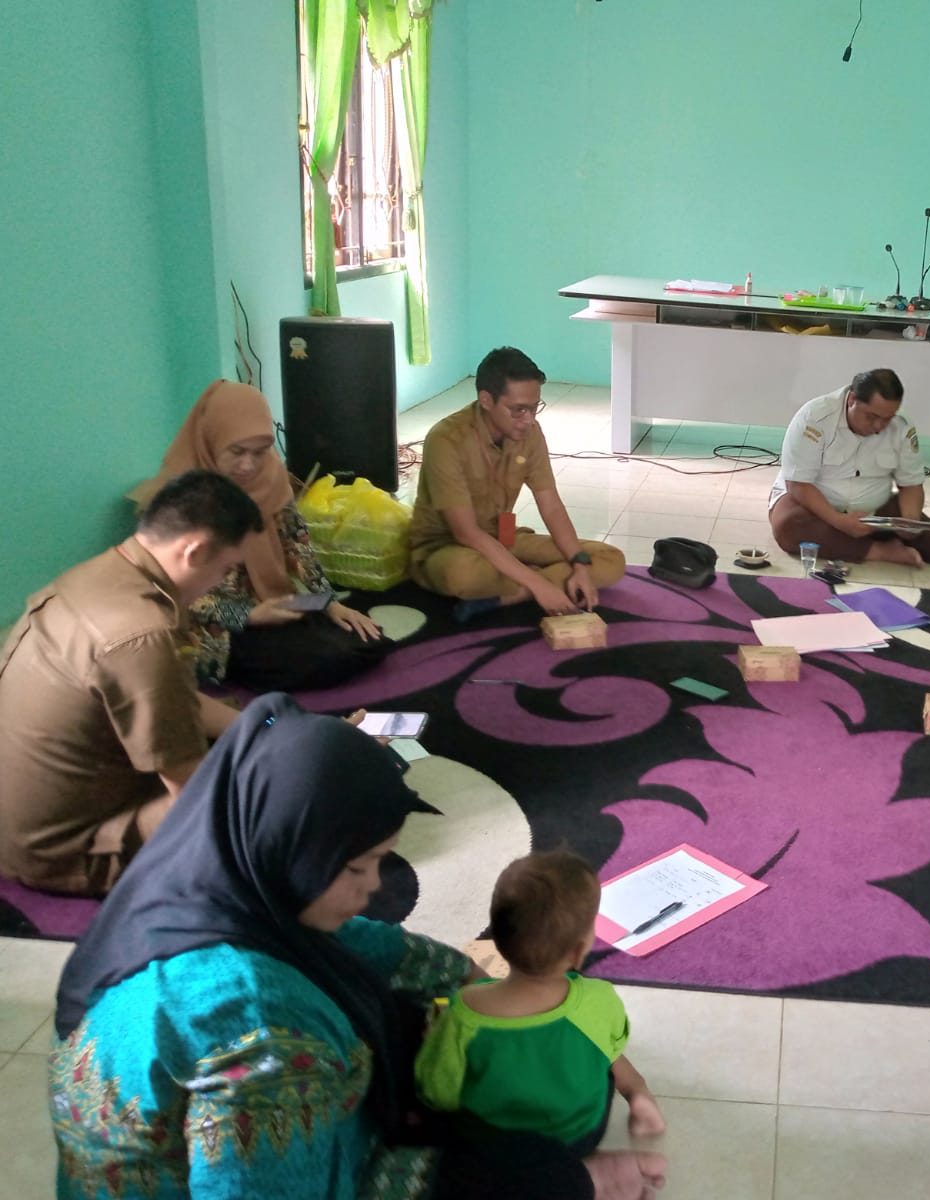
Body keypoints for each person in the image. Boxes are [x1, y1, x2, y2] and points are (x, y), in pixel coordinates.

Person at [50, 693, 667, 1200]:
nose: (374, 888)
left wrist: (487, 991)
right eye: (359, 867)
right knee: (532, 1168)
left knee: (413, 1016)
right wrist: (567, 1182)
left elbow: (377, 948)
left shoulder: (204, 887)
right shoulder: (256, 1022)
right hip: (257, 1174)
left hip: (252, 1126)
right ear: (294, 850)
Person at [0, 470, 256, 896]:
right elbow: (193, 791)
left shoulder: (93, 575)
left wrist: (268, 725)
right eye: (226, 569)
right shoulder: (143, 635)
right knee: (269, 785)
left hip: (21, 823)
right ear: (193, 551)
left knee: (246, 733)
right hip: (69, 851)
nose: (223, 583)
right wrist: (307, 756)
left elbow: (174, 700)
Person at [131, 380, 390, 690]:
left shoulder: (271, 475)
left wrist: (329, 602)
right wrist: (249, 615)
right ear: (211, 440)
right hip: (214, 624)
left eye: (261, 451)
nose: (248, 465)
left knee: (370, 641)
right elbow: (172, 597)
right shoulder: (177, 502)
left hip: (271, 600)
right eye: (237, 451)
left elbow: (296, 541)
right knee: (321, 661)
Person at [417, 851, 666, 1156]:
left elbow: (438, 1092)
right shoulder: (597, 998)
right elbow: (612, 1048)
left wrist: (434, 1039)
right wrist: (633, 1087)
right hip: (579, 1135)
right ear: (578, 952)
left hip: (493, 1149)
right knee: (602, 1047)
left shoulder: (463, 1011)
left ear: (496, 940)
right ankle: (638, 1093)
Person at [411, 348, 627, 622]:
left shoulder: (529, 433)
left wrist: (580, 564)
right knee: (462, 574)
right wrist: (541, 584)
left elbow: (551, 506)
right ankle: (536, 581)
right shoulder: (446, 439)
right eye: (518, 410)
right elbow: (466, 533)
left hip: (506, 539)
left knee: (609, 559)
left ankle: (510, 594)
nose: (529, 419)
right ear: (486, 400)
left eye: (535, 407)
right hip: (448, 547)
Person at [767, 368, 930, 579]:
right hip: (813, 503)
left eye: (887, 418)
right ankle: (878, 551)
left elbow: (911, 484)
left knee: (914, 522)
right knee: (789, 527)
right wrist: (839, 521)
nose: (880, 426)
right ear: (852, 400)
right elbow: (798, 485)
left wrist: (910, 521)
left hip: (873, 507)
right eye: (872, 417)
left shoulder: (902, 425)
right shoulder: (814, 418)